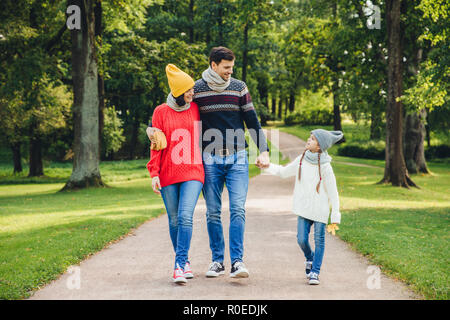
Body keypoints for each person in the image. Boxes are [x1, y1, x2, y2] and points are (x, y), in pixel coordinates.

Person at [147, 47, 270, 279]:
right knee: (213, 212)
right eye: (226, 67)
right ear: (213, 65)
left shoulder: (239, 87)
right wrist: (153, 131)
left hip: (237, 157)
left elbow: (252, 120)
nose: (230, 72)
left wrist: (263, 150)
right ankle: (216, 261)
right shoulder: (196, 91)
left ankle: (237, 261)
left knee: (237, 209)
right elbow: (176, 114)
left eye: (232, 68)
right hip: (210, 159)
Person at [147, 64, 204, 285]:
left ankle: (178, 265)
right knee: (173, 219)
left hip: (193, 169)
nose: (193, 93)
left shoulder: (196, 108)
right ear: (178, 91)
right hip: (168, 172)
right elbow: (156, 145)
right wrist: (154, 173)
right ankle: (185, 261)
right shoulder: (160, 112)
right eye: (189, 90)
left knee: (184, 216)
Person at [263, 129, 343, 285]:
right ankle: (310, 258)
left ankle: (315, 272)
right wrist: (267, 166)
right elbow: (283, 172)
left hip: (320, 210)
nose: (308, 140)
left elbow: (334, 194)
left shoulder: (326, 167)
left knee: (319, 240)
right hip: (304, 209)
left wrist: (335, 215)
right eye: (310, 137)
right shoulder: (302, 159)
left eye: (312, 139)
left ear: (319, 147)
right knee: (301, 239)